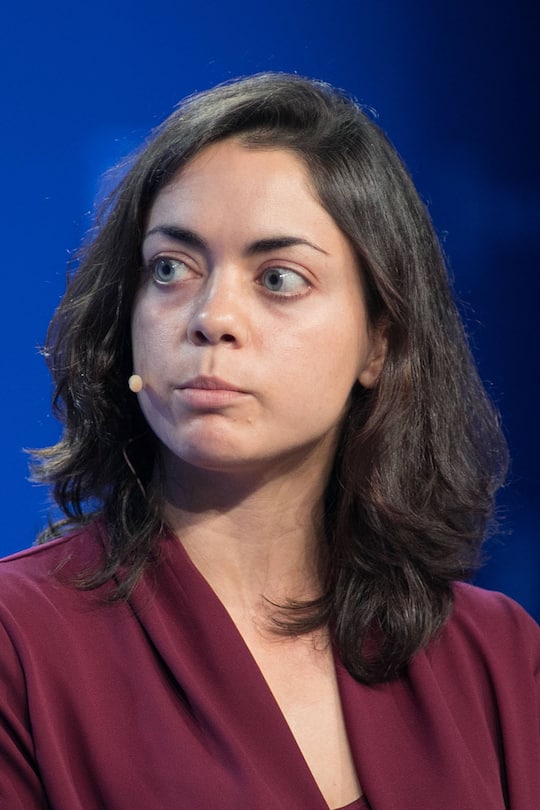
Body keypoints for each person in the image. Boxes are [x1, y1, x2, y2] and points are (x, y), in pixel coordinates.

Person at [0, 73, 538, 810]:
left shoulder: (498, 658)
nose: (212, 316)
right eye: (170, 269)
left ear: (379, 343)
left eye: (279, 278)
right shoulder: (19, 643)